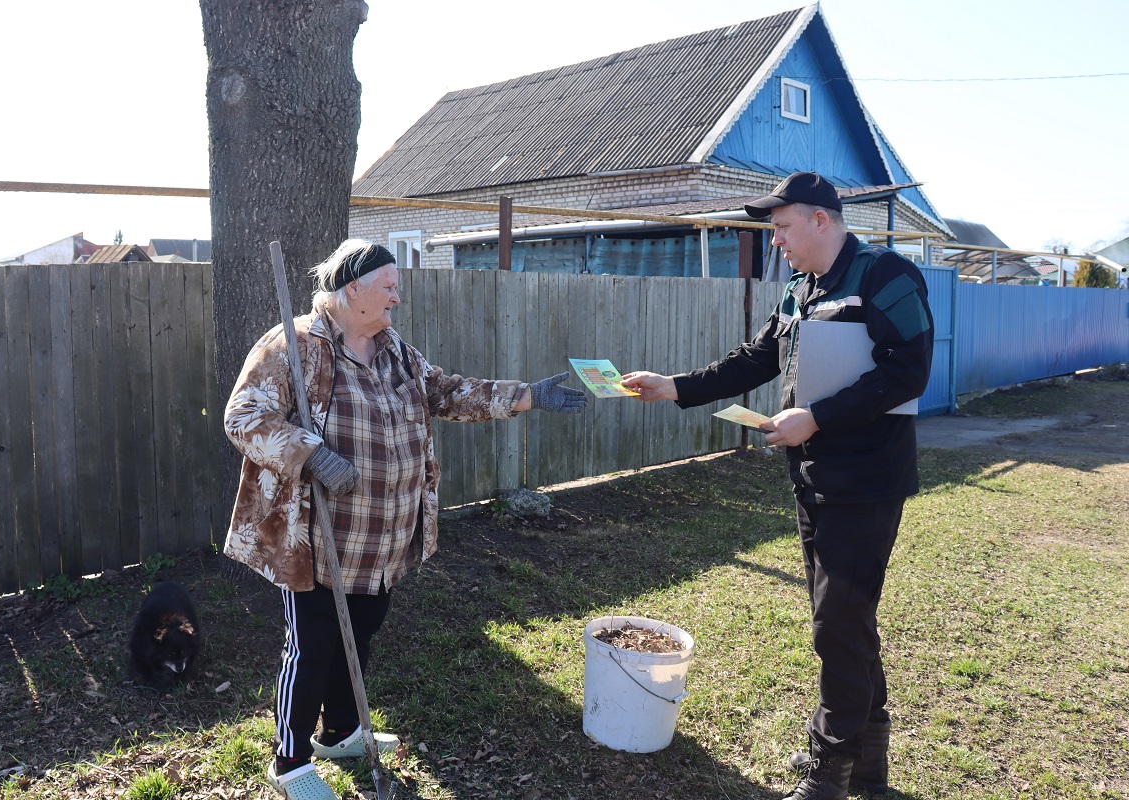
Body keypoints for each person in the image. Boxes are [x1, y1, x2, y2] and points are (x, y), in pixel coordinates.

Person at [223, 239, 587, 800]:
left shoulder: (392, 347)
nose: (398, 294)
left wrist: (527, 397)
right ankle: (289, 762)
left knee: (359, 635)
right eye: (388, 284)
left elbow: (443, 391)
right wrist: (310, 453)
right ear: (352, 290)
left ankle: (341, 732)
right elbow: (243, 415)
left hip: (384, 535)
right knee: (314, 644)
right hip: (320, 536)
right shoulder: (296, 344)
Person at [622, 171, 933, 800]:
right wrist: (675, 386)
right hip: (813, 477)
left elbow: (911, 371)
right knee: (849, 622)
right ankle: (868, 768)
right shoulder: (798, 288)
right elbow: (757, 359)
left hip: (867, 481)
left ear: (822, 219)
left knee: (836, 626)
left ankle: (829, 775)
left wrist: (816, 416)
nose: (778, 242)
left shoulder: (885, 275)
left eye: (784, 227)